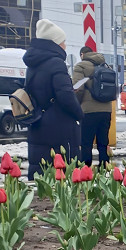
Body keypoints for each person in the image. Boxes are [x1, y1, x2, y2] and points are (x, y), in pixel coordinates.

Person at [22, 19, 84, 179]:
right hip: (59, 128)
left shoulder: (32, 65)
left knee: (41, 173)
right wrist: (79, 114)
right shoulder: (57, 64)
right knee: (63, 174)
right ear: (55, 43)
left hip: (38, 123)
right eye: (63, 42)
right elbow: (65, 96)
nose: (65, 45)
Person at [73, 46, 112, 167]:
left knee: (86, 142)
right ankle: (105, 167)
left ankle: (86, 170)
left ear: (82, 54)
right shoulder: (106, 66)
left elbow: (78, 88)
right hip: (106, 110)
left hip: (88, 111)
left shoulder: (80, 66)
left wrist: (77, 105)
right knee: (103, 142)